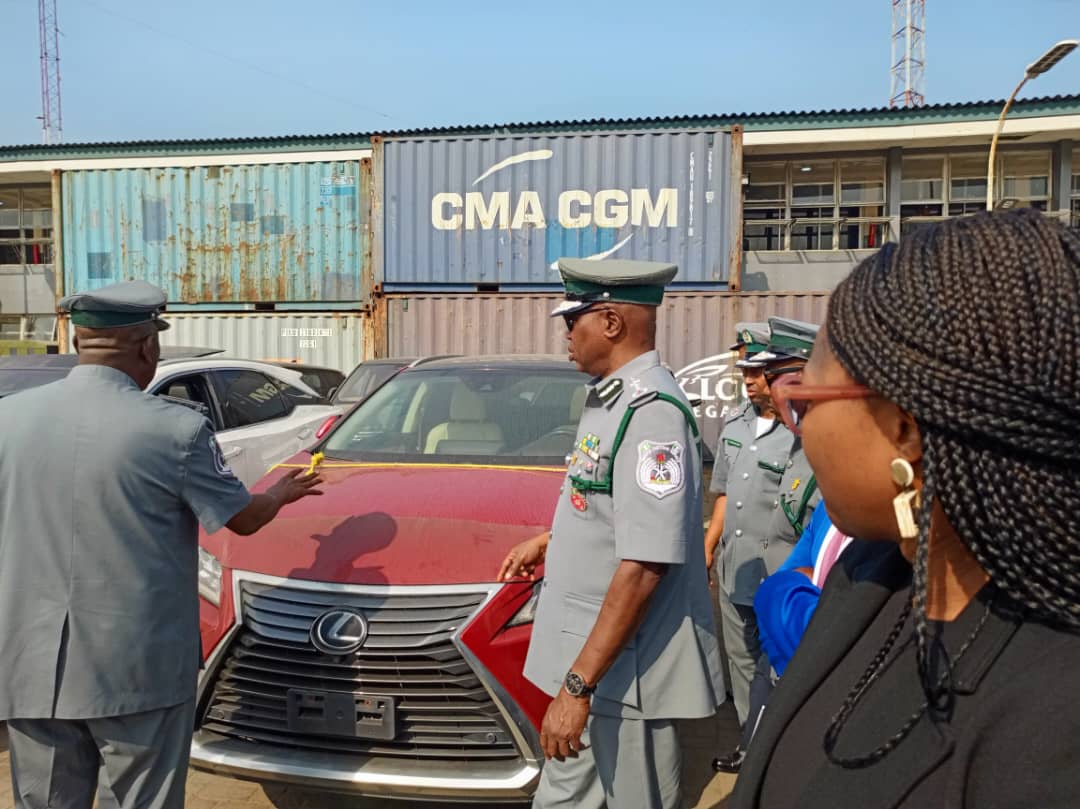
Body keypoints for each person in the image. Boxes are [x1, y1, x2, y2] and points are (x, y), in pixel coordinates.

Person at [731, 209, 1080, 808]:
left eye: (806, 399)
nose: (799, 426)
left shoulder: (1054, 723)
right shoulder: (873, 570)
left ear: (905, 429)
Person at [0, 281, 323, 809]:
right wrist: (281, 494)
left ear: (79, 340)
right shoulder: (177, 430)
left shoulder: (7, 418)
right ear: (148, 346)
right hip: (136, 668)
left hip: (29, 663)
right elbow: (241, 521)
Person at [497, 258, 723, 809]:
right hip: (601, 661)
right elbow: (616, 511)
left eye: (574, 320)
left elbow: (646, 564)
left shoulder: (651, 414)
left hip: (623, 672)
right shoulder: (612, 398)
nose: (567, 335)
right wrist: (552, 540)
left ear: (612, 323)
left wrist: (578, 687)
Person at [709, 316, 817, 774]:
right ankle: (750, 741)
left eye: (762, 374)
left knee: (779, 665)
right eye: (750, 374)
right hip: (739, 565)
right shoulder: (736, 423)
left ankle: (775, 749)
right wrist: (710, 546)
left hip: (783, 572)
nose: (754, 384)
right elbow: (724, 494)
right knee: (743, 661)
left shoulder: (802, 437)